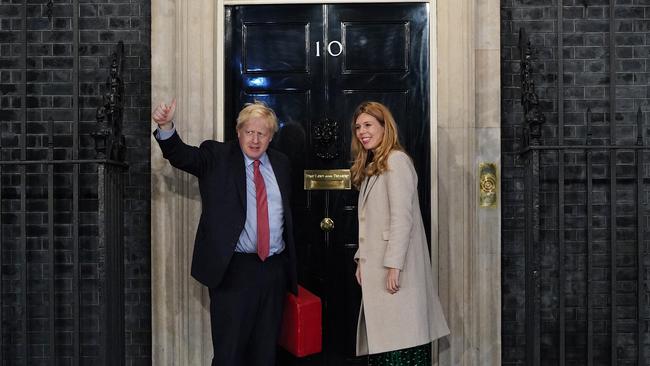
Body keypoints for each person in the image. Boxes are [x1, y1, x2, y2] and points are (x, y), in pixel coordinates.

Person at [152, 99, 297, 366]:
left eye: (261, 133)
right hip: (233, 271)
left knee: (266, 353)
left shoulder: (282, 163)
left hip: (273, 271)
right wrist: (165, 125)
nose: (255, 139)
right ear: (238, 131)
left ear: (270, 136)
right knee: (229, 353)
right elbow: (182, 155)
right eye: (249, 132)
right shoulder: (217, 157)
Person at [350, 101, 449, 365]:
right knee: (388, 343)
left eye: (368, 125)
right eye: (358, 127)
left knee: (401, 344)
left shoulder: (396, 161)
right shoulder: (374, 166)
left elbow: (401, 219)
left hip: (395, 269)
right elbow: (371, 223)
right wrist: (361, 259)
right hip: (379, 268)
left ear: (385, 127)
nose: (362, 131)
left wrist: (394, 265)